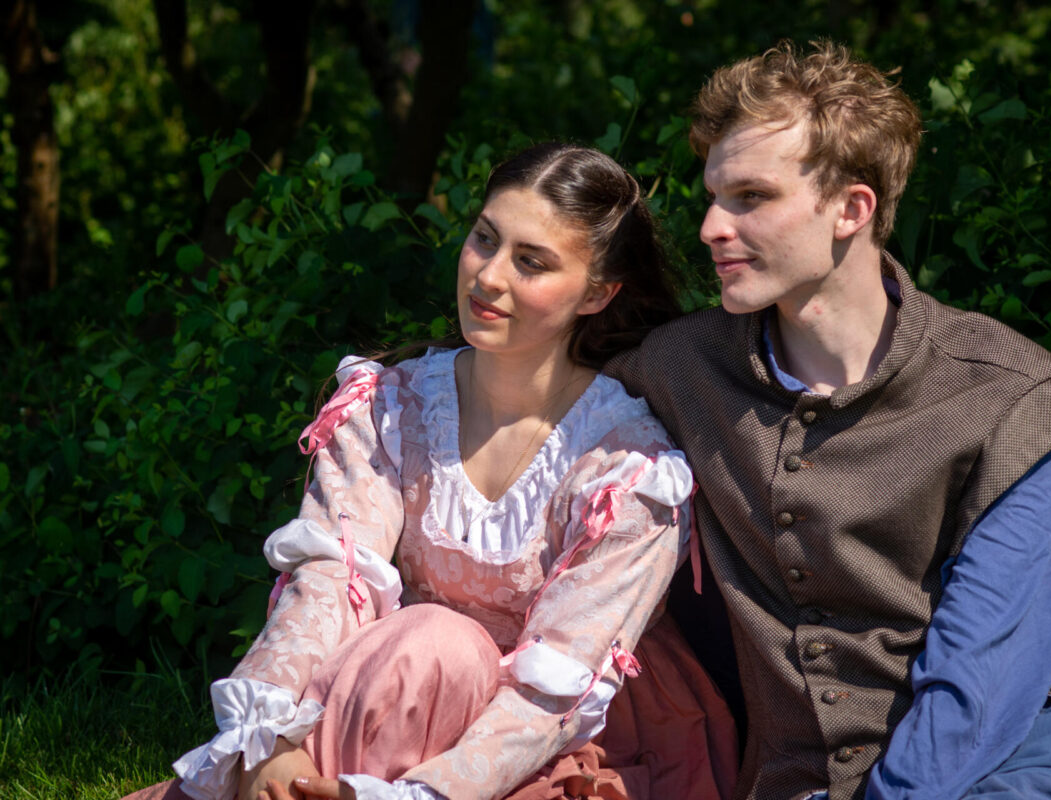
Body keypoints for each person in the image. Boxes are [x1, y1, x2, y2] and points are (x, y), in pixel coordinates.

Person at [606, 40, 1051, 800]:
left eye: (751, 198)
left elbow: (983, 680)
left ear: (852, 209)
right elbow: (531, 407)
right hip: (798, 776)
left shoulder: (1017, 400)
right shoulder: (682, 365)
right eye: (713, 197)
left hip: (1015, 756)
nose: (710, 228)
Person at [125, 142, 738, 800]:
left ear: (598, 293)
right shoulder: (391, 407)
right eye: (484, 239)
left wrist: (417, 795)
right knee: (431, 645)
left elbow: (551, 693)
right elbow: (332, 582)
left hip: (564, 733)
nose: (488, 276)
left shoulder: (627, 470)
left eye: (530, 262)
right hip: (404, 692)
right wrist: (270, 738)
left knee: (438, 647)